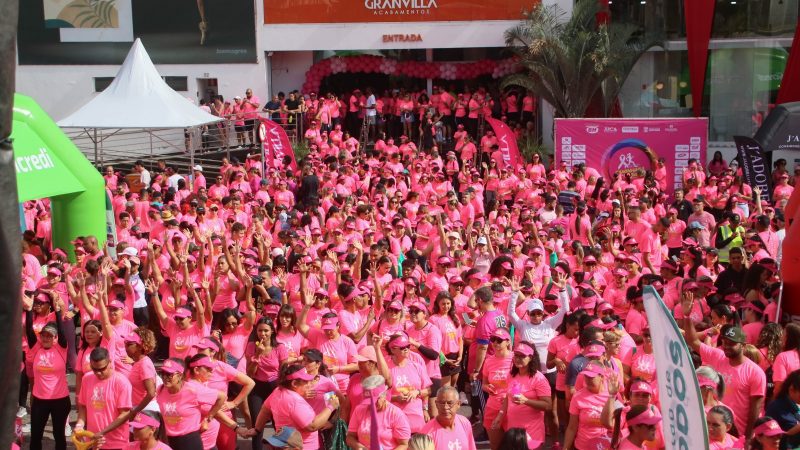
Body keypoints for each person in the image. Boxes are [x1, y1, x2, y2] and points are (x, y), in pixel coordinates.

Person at [681, 292, 767, 440]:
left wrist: (746, 439)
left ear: (743, 345)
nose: (727, 346)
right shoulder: (718, 356)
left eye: (732, 343)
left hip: (736, 435)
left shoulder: (755, 372)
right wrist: (687, 316)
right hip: (714, 431)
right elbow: (693, 341)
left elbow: (755, 409)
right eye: (725, 342)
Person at [247, 364, 340, 450]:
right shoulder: (295, 401)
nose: (309, 385)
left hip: (285, 443)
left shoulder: (278, 391)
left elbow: (265, 409)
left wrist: (257, 429)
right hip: (302, 447)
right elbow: (312, 426)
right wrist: (330, 407)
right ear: (294, 384)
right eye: (306, 382)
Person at [23, 291, 70, 450]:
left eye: (50, 336)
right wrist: (29, 310)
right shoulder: (36, 347)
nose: (46, 338)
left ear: (56, 338)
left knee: (59, 436)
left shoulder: (61, 348)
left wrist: (57, 310)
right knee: (35, 436)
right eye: (43, 336)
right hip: (39, 401)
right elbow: (29, 330)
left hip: (60, 401)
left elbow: (62, 330)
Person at [155, 358, 227, 450]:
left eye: (169, 374)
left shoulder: (192, 391)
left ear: (180, 375)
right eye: (163, 373)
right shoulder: (160, 390)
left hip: (189, 441)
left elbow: (222, 397)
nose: (165, 377)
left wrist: (209, 418)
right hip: (169, 440)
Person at [75, 347, 132, 450]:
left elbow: (125, 414)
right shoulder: (86, 379)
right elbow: (83, 407)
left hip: (116, 444)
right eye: (94, 369)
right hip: (92, 441)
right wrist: (80, 424)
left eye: (102, 369)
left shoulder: (121, 382)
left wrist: (103, 432)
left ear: (110, 362)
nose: (98, 373)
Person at [501, 341, 552, 450]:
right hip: (513, 430)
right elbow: (507, 397)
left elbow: (548, 405)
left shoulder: (539, 379)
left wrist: (526, 401)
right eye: (516, 355)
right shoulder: (511, 375)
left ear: (531, 358)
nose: (518, 358)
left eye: (522, 356)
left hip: (532, 431)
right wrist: (500, 415)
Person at [346, 375, 411, 450]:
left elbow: (404, 444)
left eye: (375, 401)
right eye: (368, 401)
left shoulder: (395, 414)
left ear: (384, 396)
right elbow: (350, 437)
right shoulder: (359, 410)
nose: (371, 405)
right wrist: (360, 447)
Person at [421, 386, 477, 450]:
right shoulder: (427, 433)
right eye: (442, 403)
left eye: (450, 403)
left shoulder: (465, 423)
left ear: (458, 404)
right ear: (436, 404)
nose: (445, 407)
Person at [765, 369, 800, 450]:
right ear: (791, 389)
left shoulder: (796, 404)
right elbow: (767, 438)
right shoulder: (775, 408)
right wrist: (791, 432)